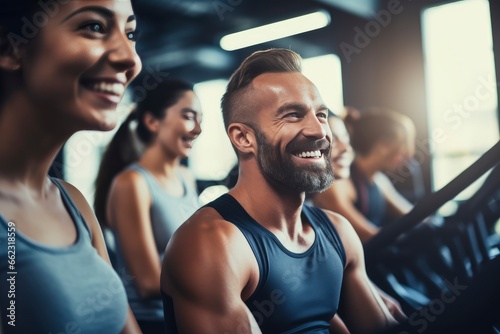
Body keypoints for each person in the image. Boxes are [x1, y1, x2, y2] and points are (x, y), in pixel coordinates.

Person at [160, 48, 398, 334]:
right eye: (293, 115)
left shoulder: (337, 232)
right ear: (244, 138)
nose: (319, 130)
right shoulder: (212, 244)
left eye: (320, 114)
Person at [0, 1, 142, 333]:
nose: (130, 59)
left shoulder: (73, 202)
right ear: (9, 47)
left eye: (131, 33)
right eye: (94, 26)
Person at [94, 79, 202, 333]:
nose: (198, 129)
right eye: (188, 117)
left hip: (188, 315)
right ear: (153, 121)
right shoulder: (132, 183)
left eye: (201, 120)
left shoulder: (186, 177)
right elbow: (148, 282)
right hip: (151, 323)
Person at [319, 108, 416, 243]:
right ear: (383, 146)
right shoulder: (339, 182)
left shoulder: (379, 180)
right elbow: (367, 236)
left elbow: (413, 216)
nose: (408, 154)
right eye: (402, 146)